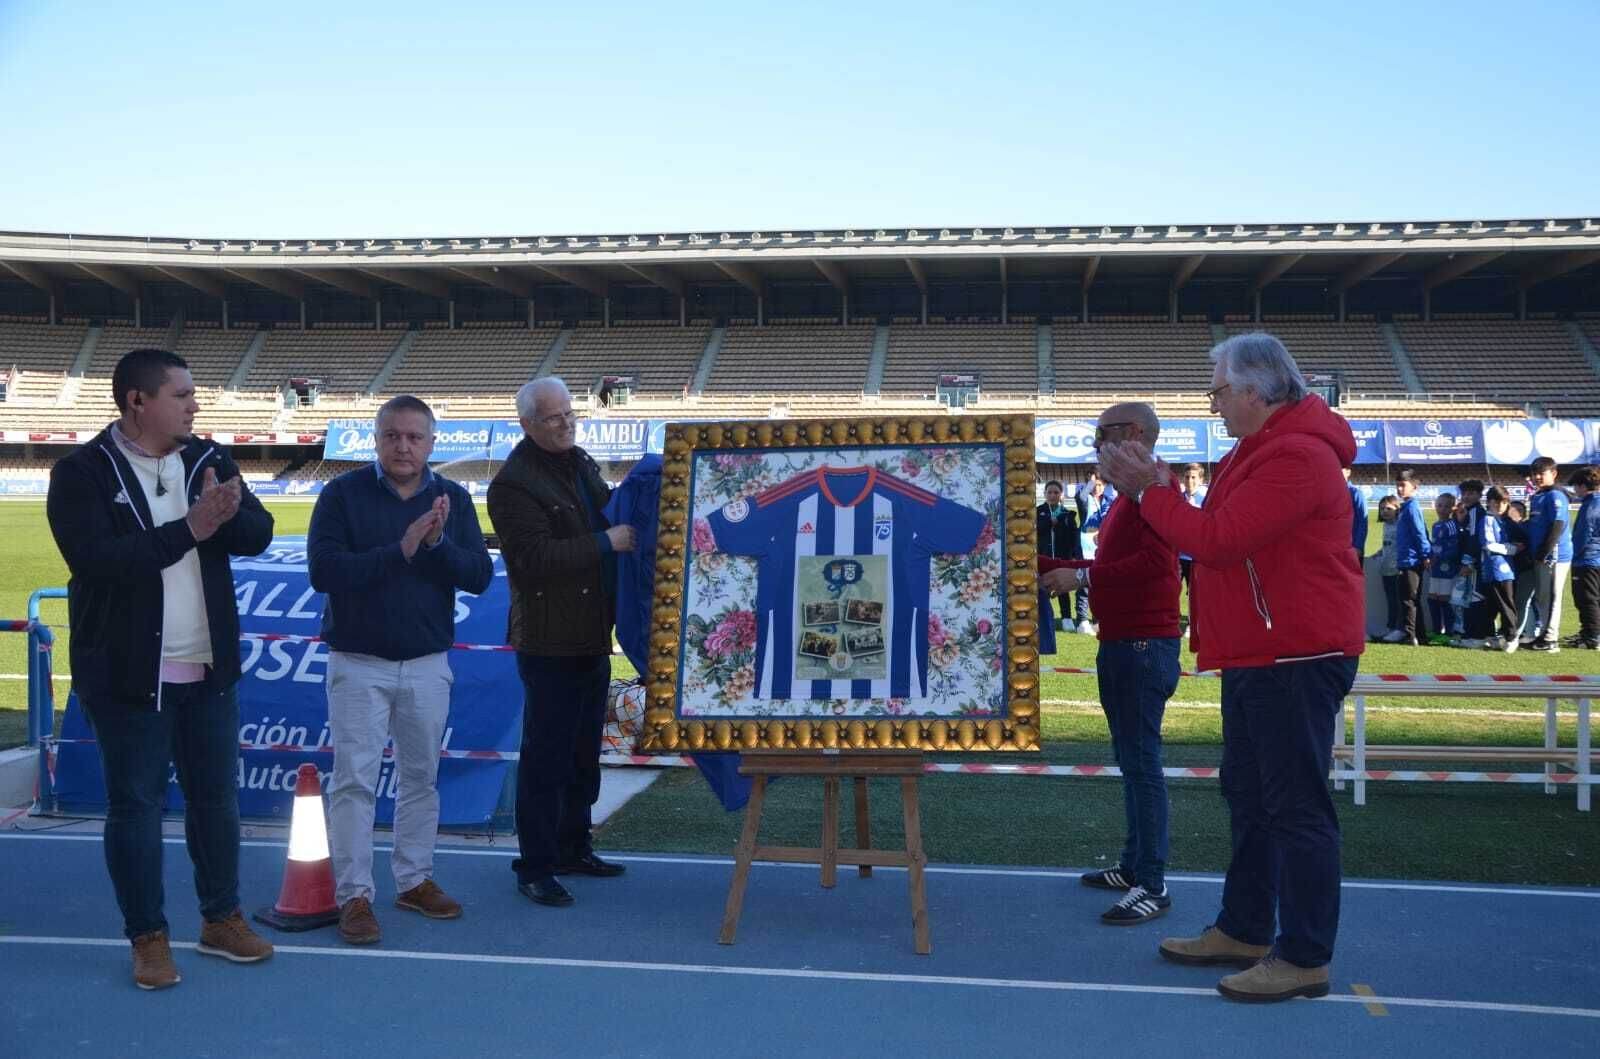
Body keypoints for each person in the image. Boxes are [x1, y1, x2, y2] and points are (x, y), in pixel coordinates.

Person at [1098, 331, 1364, 1004]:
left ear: (1253, 390)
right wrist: (1152, 493)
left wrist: (1146, 490)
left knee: (1294, 807)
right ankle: (1246, 928)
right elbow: (1215, 539)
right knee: (1251, 796)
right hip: (1263, 653)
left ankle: (1303, 953)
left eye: (1216, 390)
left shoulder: (1297, 456)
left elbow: (1215, 541)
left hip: (1294, 655)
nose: (1212, 404)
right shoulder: (1261, 451)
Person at [45, 348, 276, 990]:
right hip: (126, 674)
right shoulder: (81, 473)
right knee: (137, 808)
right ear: (137, 402)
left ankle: (221, 917)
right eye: (182, 395)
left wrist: (227, 516)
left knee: (216, 800)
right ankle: (147, 936)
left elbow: (258, 532)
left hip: (208, 669)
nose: (195, 405)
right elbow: (99, 563)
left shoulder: (208, 456)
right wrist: (191, 527)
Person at [307, 395, 494, 945]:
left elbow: (479, 575)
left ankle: (414, 880)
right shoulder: (342, 494)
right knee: (354, 784)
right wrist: (403, 548)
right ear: (376, 438)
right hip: (359, 664)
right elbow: (324, 571)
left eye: (414, 436)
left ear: (432, 442)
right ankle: (354, 896)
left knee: (420, 779)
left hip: (427, 663)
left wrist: (434, 544)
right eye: (392, 435)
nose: (403, 445)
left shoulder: (453, 499)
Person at [488, 377, 637, 908]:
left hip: (591, 635)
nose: (566, 423)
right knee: (546, 758)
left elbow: (612, 509)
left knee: (581, 755)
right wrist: (606, 542)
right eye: (553, 418)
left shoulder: (581, 463)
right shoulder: (511, 485)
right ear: (527, 425)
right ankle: (535, 864)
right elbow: (532, 558)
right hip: (548, 642)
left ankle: (575, 845)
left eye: (569, 414)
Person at [1039, 404, 1180, 926]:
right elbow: (1109, 566)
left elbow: (1157, 565)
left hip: (1142, 645)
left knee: (1142, 764)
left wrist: (1083, 581)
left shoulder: (1156, 490)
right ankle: (1135, 865)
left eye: (1103, 433)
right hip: (1126, 642)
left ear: (1134, 434)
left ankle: (1153, 883)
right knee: (1131, 760)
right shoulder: (1131, 496)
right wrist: (1045, 565)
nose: (1096, 443)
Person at [1523, 457, 1573, 652]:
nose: (1537, 477)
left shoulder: (1555, 496)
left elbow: (1558, 525)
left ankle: (1551, 639)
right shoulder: (1538, 496)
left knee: (1552, 596)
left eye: (1541, 473)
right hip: (1540, 554)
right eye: (1534, 473)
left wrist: (1545, 551)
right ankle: (1544, 634)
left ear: (1554, 473)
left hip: (1554, 555)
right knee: (1543, 596)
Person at [1384, 468, 1430, 645]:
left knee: (1408, 599)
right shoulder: (1406, 507)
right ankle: (1420, 636)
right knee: (1411, 598)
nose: (1399, 489)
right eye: (1397, 486)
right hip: (1406, 559)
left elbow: (1420, 532)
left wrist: (1426, 554)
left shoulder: (1412, 508)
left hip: (1411, 560)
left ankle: (1410, 635)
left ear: (1415, 488)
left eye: (1403, 485)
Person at [1478, 487, 1524, 652]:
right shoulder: (1487, 520)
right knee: (1496, 604)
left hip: (1506, 569)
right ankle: (1498, 637)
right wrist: (1513, 549)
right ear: (1489, 502)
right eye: (1496, 501)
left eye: (1504, 502)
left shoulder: (1506, 521)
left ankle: (1509, 637)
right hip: (1495, 568)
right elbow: (1488, 544)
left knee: (1504, 603)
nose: (1500, 505)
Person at [1036, 480, 1082, 630]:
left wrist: (1074, 555)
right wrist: (1052, 521)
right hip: (1043, 556)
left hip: (1061, 557)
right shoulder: (1037, 511)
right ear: (1044, 494)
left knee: (1062, 588)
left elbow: (1074, 536)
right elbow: (1037, 530)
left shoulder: (1067, 514)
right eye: (1049, 492)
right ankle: (1040, 619)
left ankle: (1067, 618)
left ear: (1061, 495)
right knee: (1040, 588)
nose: (1052, 495)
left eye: (1056, 492)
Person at [1075, 471, 1116, 635]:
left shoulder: (1109, 501)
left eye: (1100, 485)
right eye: (1094, 485)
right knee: (1084, 583)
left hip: (1102, 545)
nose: (1096, 488)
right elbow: (1081, 496)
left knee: (1100, 582)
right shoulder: (1085, 499)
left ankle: (1098, 618)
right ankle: (1082, 620)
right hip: (1085, 545)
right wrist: (1090, 482)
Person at [1566, 467, 1600, 650]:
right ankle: (1589, 632)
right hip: (1596, 559)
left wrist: (1573, 555)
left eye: (1575, 487)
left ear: (1582, 485)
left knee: (1586, 599)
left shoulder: (1591, 505)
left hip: (1587, 560)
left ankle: (1592, 637)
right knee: (1593, 598)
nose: (1574, 491)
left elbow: (1583, 534)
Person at [1455, 480, 1488, 646]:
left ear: (1479, 495)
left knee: (1474, 598)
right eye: (1464, 494)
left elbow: (1474, 539)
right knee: (1469, 597)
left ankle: (1476, 637)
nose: (1466, 497)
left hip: (1474, 563)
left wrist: (1468, 562)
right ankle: (1470, 635)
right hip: (1472, 561)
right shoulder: (1469, 512)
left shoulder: (1476, 512)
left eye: (1471, 494)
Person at [1425, 492, 1461, 643]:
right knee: (1432, 599)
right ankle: (1436, 630)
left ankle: (1449, 632)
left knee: (1444, 600)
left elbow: (1455, 547)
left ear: (1453, 508)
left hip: (1447, 569)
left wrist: (1438, 557)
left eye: (1446, 506)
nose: (1442, 509)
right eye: (1439, 505)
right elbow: (1435, 546)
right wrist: (1429, 556)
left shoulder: (1451, 525)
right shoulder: (1436, 525)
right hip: (1435, 568)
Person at [1177, 463, 1208, 635]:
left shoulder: (1206, 499)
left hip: (1195, 555)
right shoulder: (1178, 498)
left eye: (1194, 477)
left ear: (1201, 480)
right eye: (1187, 477)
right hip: (1177, 555)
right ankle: (1172, 621)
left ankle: (1191, 623)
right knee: (1172, 590)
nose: (1190, 481)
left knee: (1194, 594)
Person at [1376, 495, 1401, 638]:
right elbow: (1388, 545)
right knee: (1390, 600)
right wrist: (1379, 553)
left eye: (1389, 508)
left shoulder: (1400, 525)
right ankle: (1390, 627)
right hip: (1385, 569)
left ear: (1397, 510)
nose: (1384, 511)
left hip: (1397, 569)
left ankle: (1399, 628)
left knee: (1397, 600)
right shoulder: (1386, 526)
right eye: (1382, 508)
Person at [1343, 467, 1368, 559]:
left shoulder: (1356, 493)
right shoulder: (1331, 493)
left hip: (1352, 548)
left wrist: (1358, 546)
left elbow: (1363, 521)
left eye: (1341, 469)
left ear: (1348, 472)